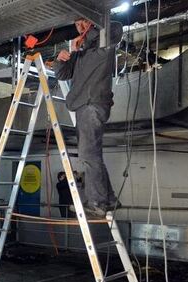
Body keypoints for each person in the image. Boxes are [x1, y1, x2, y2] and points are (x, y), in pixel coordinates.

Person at [52, 17, 122, 218]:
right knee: (92, 154)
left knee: (88, 155)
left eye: (83, 22)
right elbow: (63, 74)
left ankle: (97, 202)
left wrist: (87, 34)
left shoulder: (104, 44)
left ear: (92, 22)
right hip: (83, 105)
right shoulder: (80, 53)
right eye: (76, 24)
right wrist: (63, 57)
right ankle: (109, 199)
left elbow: (116, 27)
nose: (80, 27)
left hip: (93, 104)